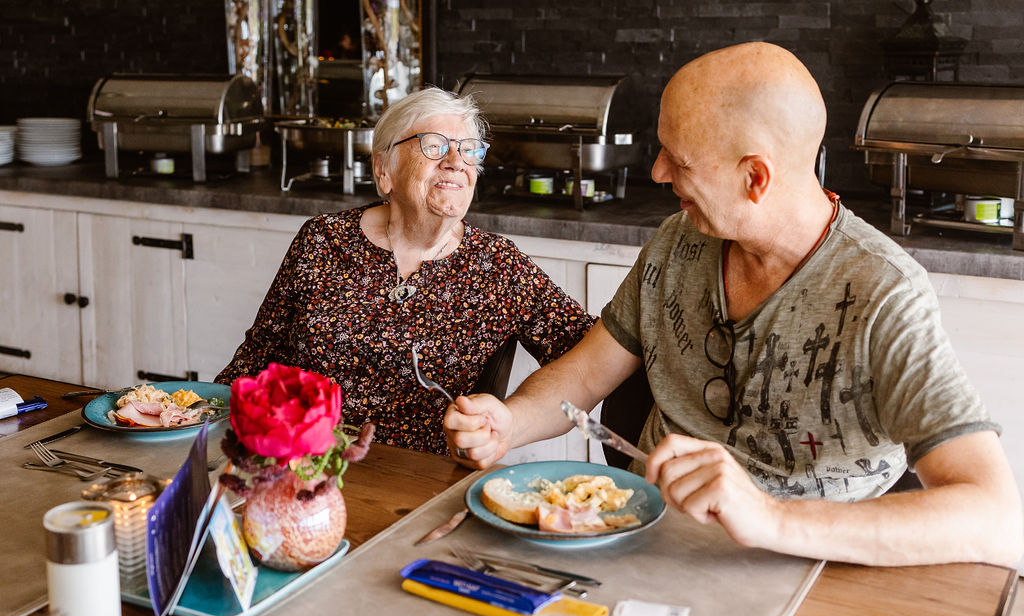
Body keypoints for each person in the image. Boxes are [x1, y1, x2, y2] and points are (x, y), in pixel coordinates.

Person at [443, 43, 1023, 567]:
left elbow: (994, 515)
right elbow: (589, 371)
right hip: (641, 547)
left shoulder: (885, 295)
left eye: (679, 159)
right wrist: (511, 421)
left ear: (755, 178)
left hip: (803, 574)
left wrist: (770, 518)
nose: (657, 171)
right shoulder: (678, 241)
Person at [217, 87, 594, 455]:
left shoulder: (497, 264)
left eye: (468, 151)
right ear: (384, 169)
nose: (456, 162)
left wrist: (511, 417)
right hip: (307, 466)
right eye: (434, 145)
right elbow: (256, 358)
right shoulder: (323, 240)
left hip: (423, 482)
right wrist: (202, 432)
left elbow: (590, 355)